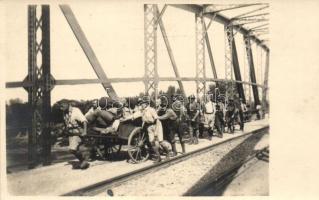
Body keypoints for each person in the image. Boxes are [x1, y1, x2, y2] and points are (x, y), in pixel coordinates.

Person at [60, 101, 91, 169]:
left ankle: (84, 160)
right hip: (71, 133)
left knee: (72, 149)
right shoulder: (64, 113)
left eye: (62, 106)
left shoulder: (75, 111)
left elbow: (84, 121)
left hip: (78, 132)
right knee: (73, 150)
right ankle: (83, 160)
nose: (61, 108)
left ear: (67, 104)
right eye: (60, 107)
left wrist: (85, 131)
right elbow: (67, 123)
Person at [140, 97, 164, 162]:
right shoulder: (143, 111)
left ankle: (167, 153)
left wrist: (156, 130)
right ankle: (159, 157)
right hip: (149, 127)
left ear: (147, 104)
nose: (142, 104)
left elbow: (156, 119)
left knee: (160, 142)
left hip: (156, 125)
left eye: (143, 103)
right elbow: (144, 120)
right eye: (141, 103)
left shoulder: (151, 110)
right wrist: (142, 127)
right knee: (152, 142)